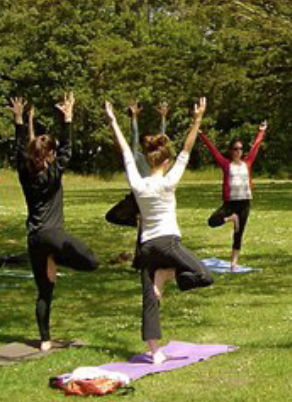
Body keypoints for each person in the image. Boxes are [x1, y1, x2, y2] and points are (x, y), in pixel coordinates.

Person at [106, 98, 215, 364]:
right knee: (204, 275)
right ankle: (170, 275)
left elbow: (125, 151)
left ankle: (155, 353)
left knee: (149, 299)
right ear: (165, 161)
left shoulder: (137, 184)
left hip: (145, 248)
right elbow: (187, 151)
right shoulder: (168, 183)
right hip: (168, 243)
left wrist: (112, 122)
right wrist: (197, 119)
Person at [10, 94, 99, 350]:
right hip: (53, 234)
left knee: (45, 291)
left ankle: (45, 340)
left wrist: (18, 120)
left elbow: (19, 149)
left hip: (35, 238)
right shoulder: (53, 173)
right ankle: (57, 258)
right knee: (91, 262)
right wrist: (68, 118)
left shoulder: (25, 173)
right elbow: (67, 150)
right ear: (49, 154)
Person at [200, 121, 267, 271]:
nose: (238, 151)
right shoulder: (226, 164)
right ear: (230, 151)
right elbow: (213, 150)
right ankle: (231, 218)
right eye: (235, 149)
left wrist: (261, 131)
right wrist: (201, 135)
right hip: (230, 204)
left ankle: (233, 264)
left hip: (245, 202)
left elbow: (255, 147)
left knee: (238, 233)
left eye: (240, 149)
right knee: (212, 221)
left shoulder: (247, 163)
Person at [104, 100, 168, 229]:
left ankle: (140, 222)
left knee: (148, 228)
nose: (149, 142)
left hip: (152, 194)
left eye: (151, 140)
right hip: (137, 195)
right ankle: (136, 220)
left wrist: (163, 117)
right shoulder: (136, 156)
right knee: (112, 216)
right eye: (146, 140)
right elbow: (134, 136)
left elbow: (162, 137)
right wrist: (133, 117)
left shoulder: (156, 156)